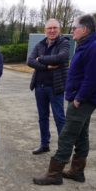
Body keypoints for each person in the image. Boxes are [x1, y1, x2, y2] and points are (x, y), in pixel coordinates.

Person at [33, 14, 96, 185]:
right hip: (80, 97)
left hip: (82, 100)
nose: (72, 30)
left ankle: (54, 174)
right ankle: (77, 171)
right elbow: (31, 60)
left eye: (74, 27)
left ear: (84, 29)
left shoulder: (93, 48)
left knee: (67, 134)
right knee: (81, 134)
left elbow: (92, 78)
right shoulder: (86, 45)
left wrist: (79, 98)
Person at [27, 19, 69, 155]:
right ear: (45, 30)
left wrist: (41, 59)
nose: (52, 31)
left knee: (59, 118)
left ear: (59, 29)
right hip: (40, 87)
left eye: (54, 28)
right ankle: (44, 144)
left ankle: (63, 150)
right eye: (49, 28)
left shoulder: (64, 43)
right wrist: (47, 66)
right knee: (42, 117)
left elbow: (61, 57)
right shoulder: (40, 44)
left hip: (55, 88)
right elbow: (30, 61)